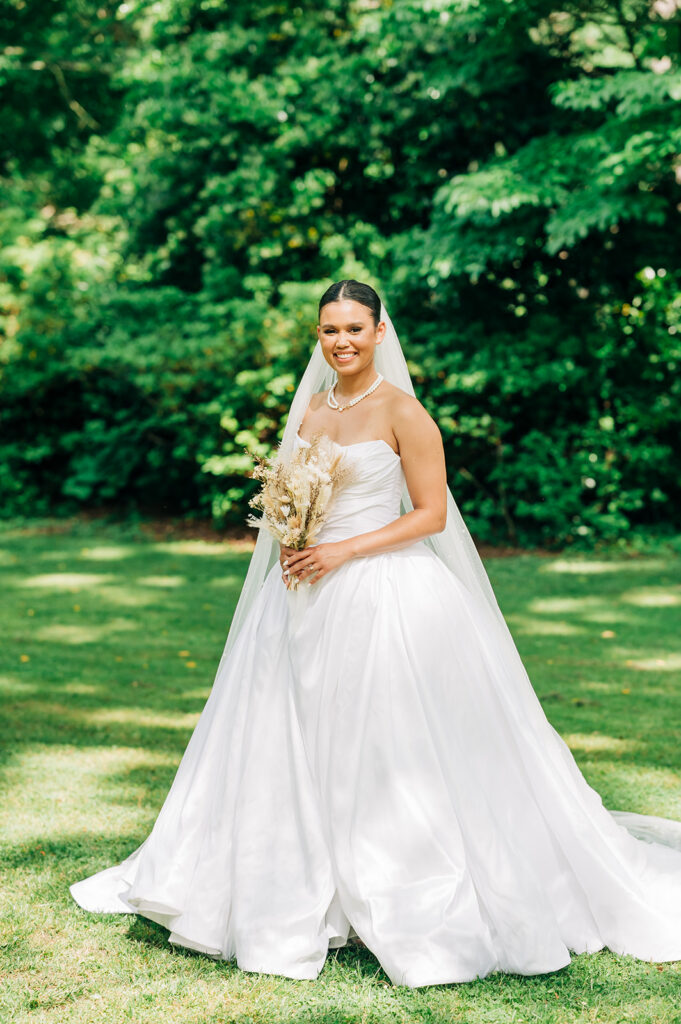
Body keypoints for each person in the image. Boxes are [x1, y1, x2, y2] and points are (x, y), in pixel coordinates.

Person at [70, 279, 681, 988]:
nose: (342, 341)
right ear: (319, 337)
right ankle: (293, 881)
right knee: (284, 737)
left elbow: (429, 515)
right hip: (301, 596)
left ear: (379, 332)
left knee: (386, 741)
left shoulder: (404, 413)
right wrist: (296, 536)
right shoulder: (311, 410)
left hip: (385, 595)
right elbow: (298, 496)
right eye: (329, 330)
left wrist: (342, 550)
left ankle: (391, 882)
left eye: (354, 329)